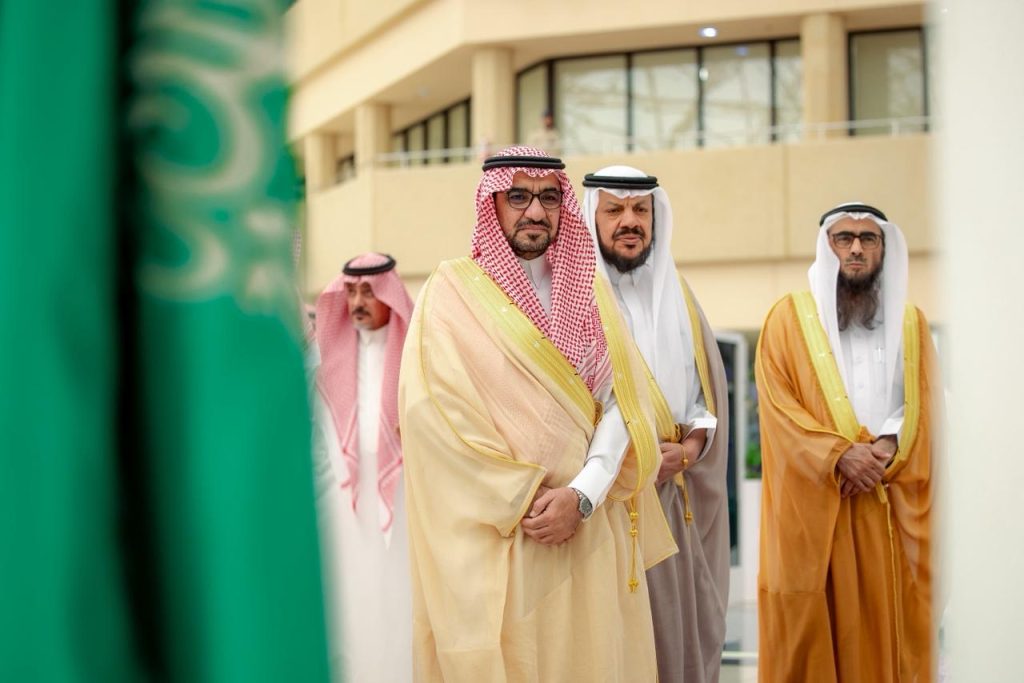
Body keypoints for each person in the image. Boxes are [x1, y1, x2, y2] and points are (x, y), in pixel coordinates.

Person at [398, 146, 676, 682]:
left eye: (549, 198)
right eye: (518, 197)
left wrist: (585, 493)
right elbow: (433, 416)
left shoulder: (593, 291)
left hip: (589, 528)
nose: (535, 211)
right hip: (509, 534)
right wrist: (527, 496)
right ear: (492, 204)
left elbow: (624, 400)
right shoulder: (450, 295)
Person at [755, 203, 939, 682]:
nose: (856, 248)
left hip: (886, 501)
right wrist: (838, 455)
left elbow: (927, 403)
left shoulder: (912, 323)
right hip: (817, 508)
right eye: (843, 238)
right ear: (827, 247)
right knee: (812, 630)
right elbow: (778, 408)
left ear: (883, 248)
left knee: (888, 626)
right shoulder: (787, 320)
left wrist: (887, 447)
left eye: (867, 238)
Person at [582, 165, 730, 683]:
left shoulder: (681, 298)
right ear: (592, 218)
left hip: (670, 499)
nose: (630, 222)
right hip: (604, 505)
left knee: (673, 642)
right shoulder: (578, 298)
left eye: (640, 210)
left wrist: (687, 453)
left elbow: (703, 405)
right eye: (615, 210)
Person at [311, 252, 415, 682]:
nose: (357, 301)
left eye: (369, 292)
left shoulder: (415, 360)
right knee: (349, 603)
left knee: (398, 602)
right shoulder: (323, 363)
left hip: (404, 501)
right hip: (344, 504)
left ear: (390, 296)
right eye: (351, 291)